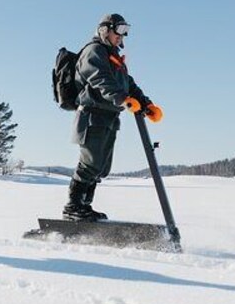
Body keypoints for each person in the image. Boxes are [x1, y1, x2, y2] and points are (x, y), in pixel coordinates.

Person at [64, 13, 163, 221]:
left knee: (101, 167)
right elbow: (100, 79)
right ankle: (73, 207)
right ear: (105, 30)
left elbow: (128, 83)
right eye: (119, 31)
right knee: (90, 163)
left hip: (109, 117)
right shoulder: (94, 51)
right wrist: (122, 98)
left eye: (125, 32)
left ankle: (84, 207)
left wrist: (146, 104)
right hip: (92, 116)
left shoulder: (114, 56)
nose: (122, 36)